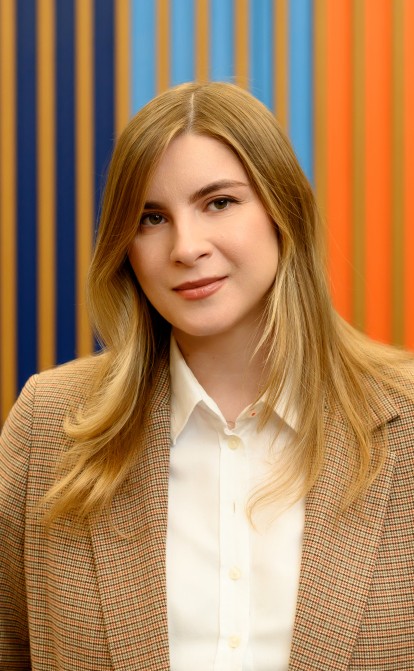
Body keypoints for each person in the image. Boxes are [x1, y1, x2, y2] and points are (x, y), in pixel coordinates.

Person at [1, 82, 413, 671]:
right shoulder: (48, 422)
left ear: (283, 210)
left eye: (218, 202)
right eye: (151, 218)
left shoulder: (406, 419)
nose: (186, 247)